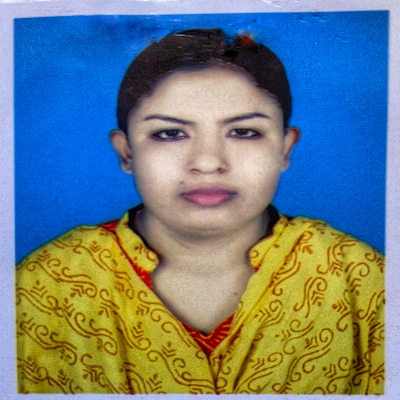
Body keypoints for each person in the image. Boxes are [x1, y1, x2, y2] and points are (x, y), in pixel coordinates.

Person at [15, 28, 384, 394]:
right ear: (126, 152)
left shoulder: (362, 279)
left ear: (285, 149)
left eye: (244, 132)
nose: (208, 163)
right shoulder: (44, 285)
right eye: (169, 134)